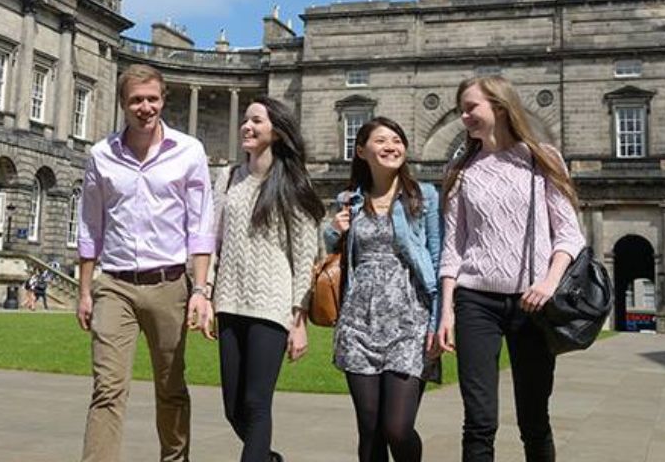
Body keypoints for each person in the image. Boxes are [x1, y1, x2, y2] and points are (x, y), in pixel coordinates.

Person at [436, 75, 587, 462]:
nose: (464, 115)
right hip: (475, 302)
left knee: (534, 419)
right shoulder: (460, 170)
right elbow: (454, 247)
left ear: (499, 107)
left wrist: (549, 283)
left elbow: (569, 235)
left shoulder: (543, 159)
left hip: (533, 305)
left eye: (471, 107)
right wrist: (447, 309)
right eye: (461, 109)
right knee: (479, 421)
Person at [75, 63, 215, 462]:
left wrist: (200, 291)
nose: (145, 107)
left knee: (171, 387)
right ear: (123, 104)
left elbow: (200, 226)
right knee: (107, 388)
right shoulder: (101, 155)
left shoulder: (189, 151)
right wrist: (85, 291)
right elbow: (91, 226)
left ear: (163, 100)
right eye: (136, 100)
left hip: (169, 283)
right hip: (114, 284)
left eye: (152, 99)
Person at [209, 97, 324, 462]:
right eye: (245, 120)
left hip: (272, 307)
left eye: (256, 120)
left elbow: (306, 255)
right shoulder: (227, 177)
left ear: (276, 130)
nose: (247, 126)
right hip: (228, 301)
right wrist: (206, 291)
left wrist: (299, 319)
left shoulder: (292, 183)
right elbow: (213, 239)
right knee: (233, 408)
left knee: (257, 403)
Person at [325, 116, 443, 462]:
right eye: (381, 140)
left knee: (397, 428)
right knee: (370, 429)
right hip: (359, 322)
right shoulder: (349, 200)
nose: (391, 146)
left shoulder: (425, 197)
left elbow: (437, 258)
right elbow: (337, 254)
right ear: (361, 150)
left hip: (410, 321)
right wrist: (334, 230)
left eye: (397, 139)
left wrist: (438, 322)